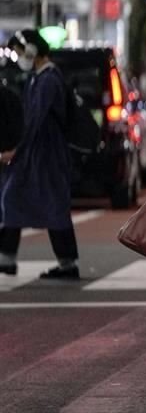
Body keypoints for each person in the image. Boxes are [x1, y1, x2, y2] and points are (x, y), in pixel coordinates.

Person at [0, 30, 78, 279]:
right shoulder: (41, 78)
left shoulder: (48, 80)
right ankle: (10, 258)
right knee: (26, 200)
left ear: (33, 51)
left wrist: (16, 149)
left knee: (42, 204)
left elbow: (34, 120)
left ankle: (65, 263)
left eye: (21, 52)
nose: (20, 58)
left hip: (45, 154)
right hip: (41, 153)